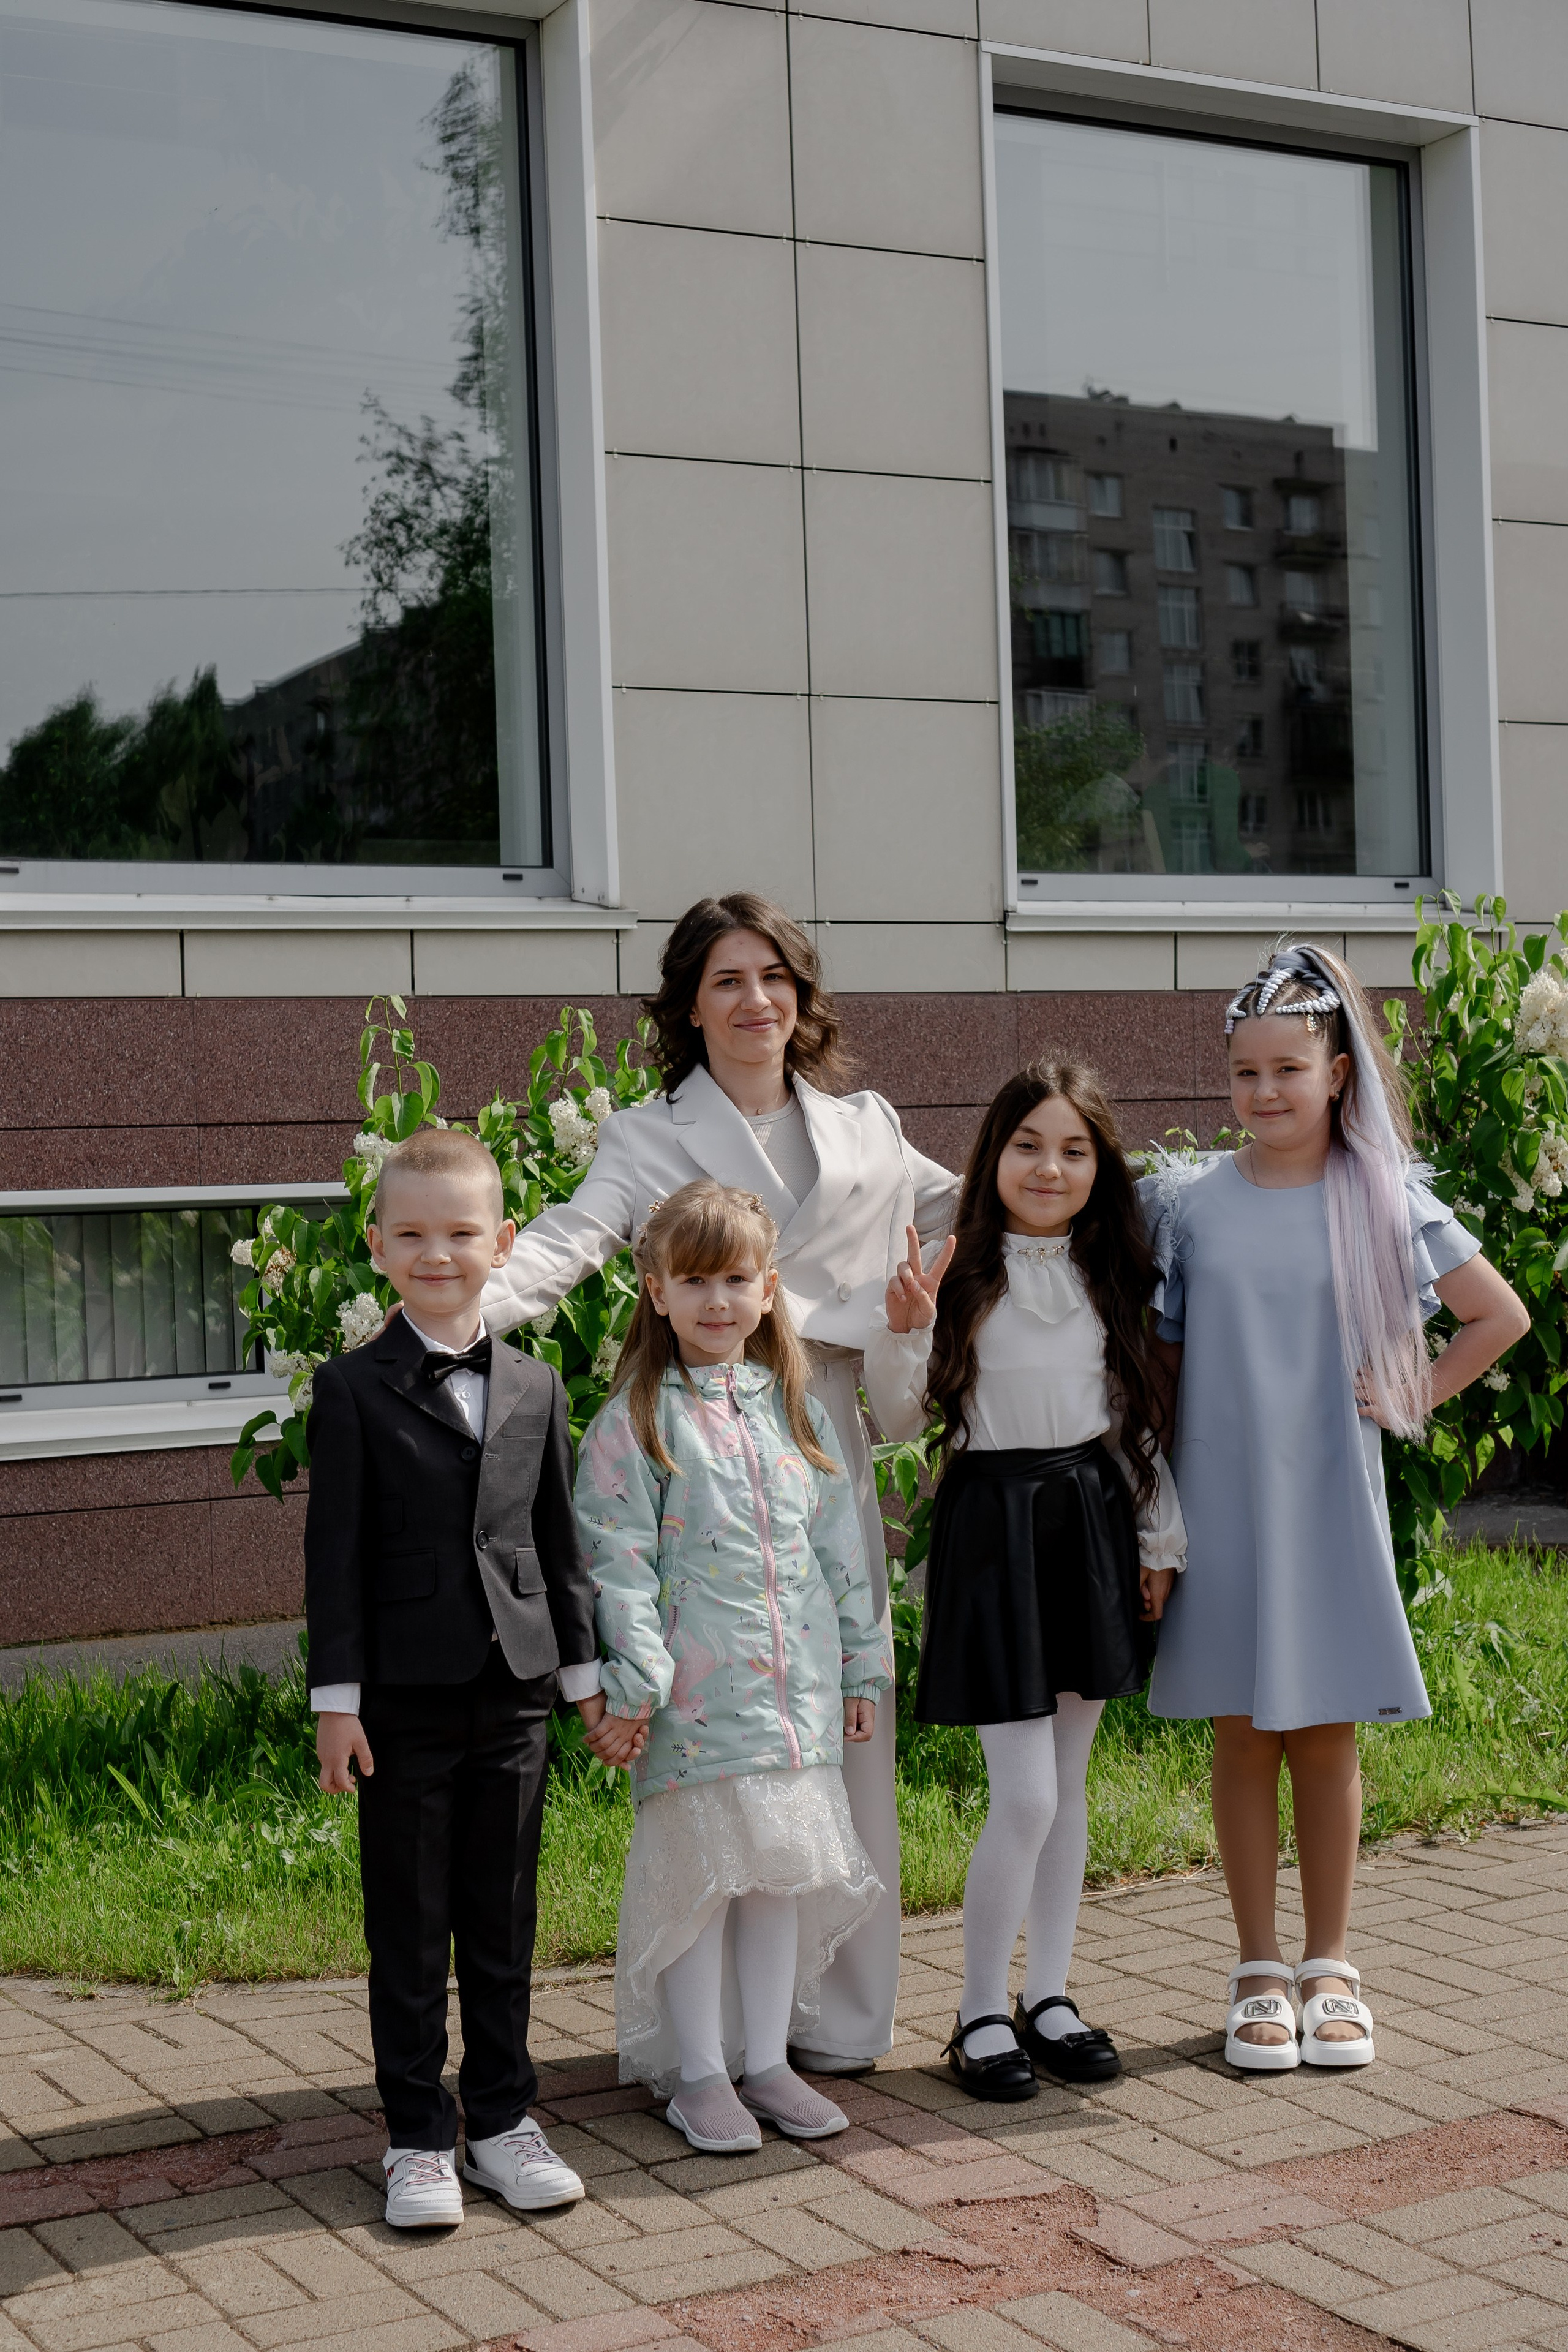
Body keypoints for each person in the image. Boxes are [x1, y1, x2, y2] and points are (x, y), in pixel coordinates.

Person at [478, 893, 957, 2072]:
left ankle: (833, 2027)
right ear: (689, 1004)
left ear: (804, 998)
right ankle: (713, 2048)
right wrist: (467, 1300)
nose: (757, 1000)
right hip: (695, 1456)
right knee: (725, 1759)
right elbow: (574, 1236)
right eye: (729, 980)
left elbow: (985, 1198)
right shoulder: (649, 1136)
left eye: (776, 977)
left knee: (846, 1736)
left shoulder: (869, 1124)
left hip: (818, 1438)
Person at [1139, 943, 1530, 2072]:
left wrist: (1414, 1389)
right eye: (1245, 1074)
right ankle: (1256, 1963)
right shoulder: (1192, 1207)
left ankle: (1331, 1962)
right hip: (1220, 1501)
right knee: (1242, 1731)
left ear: (1338, 1073)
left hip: (1327, 1494)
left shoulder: (1384, 1197)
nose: (1266, 1093)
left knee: (1324, 1731)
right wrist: (1153, 1514)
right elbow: (1160, 1370)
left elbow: (1492, 1317)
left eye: (1288, 1071)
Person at [864, 1063, 1185, 2101]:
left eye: (1075, 1149)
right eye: (1029, 1145)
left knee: (1070, 1785)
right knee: (1027, 1793)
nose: (1050, 1167)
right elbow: (903, 1420)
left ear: (1101, 1165)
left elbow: (1131, 1424)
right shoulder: (956, 1270)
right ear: (994, 1155)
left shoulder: (1112, 1276)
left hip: (1091, 1521)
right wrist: (905, 1326)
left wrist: (1157, 1542)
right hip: (996, 1527)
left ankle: (1047, 1997)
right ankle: (975, 2013)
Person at [304, 1128, 600, 2228]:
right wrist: (337, 1704)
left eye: (462, 1232)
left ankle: (506, 2120)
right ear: (378, 1247)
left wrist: (582, 1678)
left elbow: (557, 1545)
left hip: (515, 1690)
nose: (439, 1254)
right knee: (410, 1923)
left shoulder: (535, 1385)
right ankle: (419, 2135)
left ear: (503, 1242)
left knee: (504, 1914)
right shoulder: (351, 1391)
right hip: (403, 1702)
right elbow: (331, 1561)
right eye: (414, 1235)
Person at [575, 1179, 892, 2153]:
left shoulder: (794, 1413)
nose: (718, 1300)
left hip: (791, 1703)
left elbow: (841, 1551)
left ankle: (767, 2062)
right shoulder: (635, 1422)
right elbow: (615, 1562)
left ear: (768, 1291)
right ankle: (701, 2072)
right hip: (694, 1707)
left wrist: (859, 1668)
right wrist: (634, 1685)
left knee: (774, 1882)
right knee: (703, 1882)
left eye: (737, 1279)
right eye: (697, 1279)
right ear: (657, 1291)